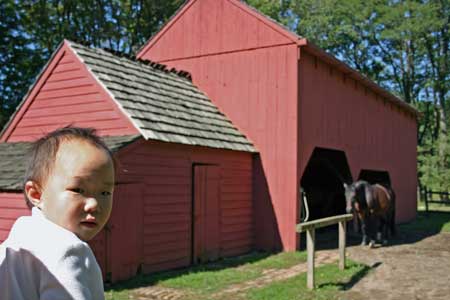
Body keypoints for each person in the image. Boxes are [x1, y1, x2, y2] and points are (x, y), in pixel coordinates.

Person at [0, 126, 115, 300]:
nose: (94, 204)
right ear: (36, 194)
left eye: (105, 193)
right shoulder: (67, 249)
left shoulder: (17, 241)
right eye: (78, 189)